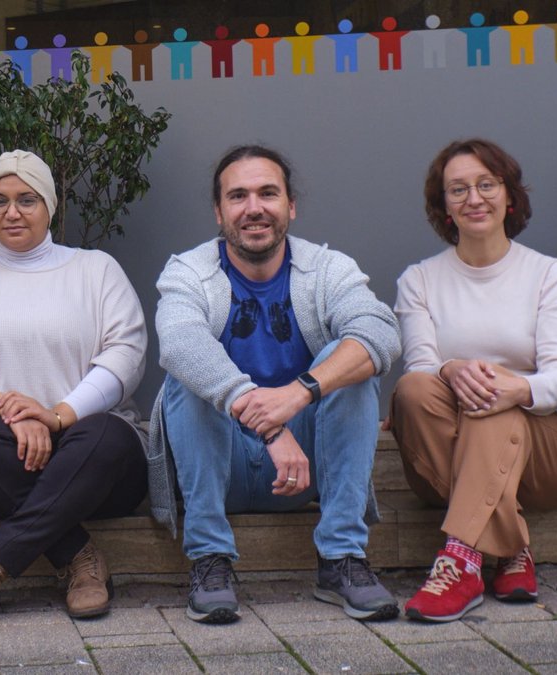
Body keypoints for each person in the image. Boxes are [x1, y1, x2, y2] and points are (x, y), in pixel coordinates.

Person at [152, 144, 402, 624]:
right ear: (219, 212)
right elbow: (180, 343)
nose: (254, 208)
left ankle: (341, 558)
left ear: (291, 206)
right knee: (185, 373)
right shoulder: (188, 271)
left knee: (351, 360)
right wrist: (268, 425)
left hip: (303, 468)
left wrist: (298, 394)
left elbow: (381, 333)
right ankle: (209, 558)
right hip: (220, 462)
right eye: (238, 196)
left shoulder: (328, 269)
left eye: (268, 193)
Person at [0, 150, 148, 633]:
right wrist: (7, 408)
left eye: (27, 199)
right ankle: (80, 557)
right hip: (0, 462)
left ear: (50, 206)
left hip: (91, 461)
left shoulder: (97, 270)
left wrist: (59, 414)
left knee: (108, 435)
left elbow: (126, 355)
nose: (12, 212)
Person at [388, 139, 557, 622]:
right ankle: (510, 548)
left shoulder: (545, 273)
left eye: (487, 184)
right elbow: (420, 368)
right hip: (451, 452)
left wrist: (516, 389)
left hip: (552, 455)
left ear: (509, 196)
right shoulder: (419, 280)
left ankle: (460, 561)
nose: (474, 198)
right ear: (444, 206)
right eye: (458, 189)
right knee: (415, 390)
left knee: (491, 398)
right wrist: (452, 368)